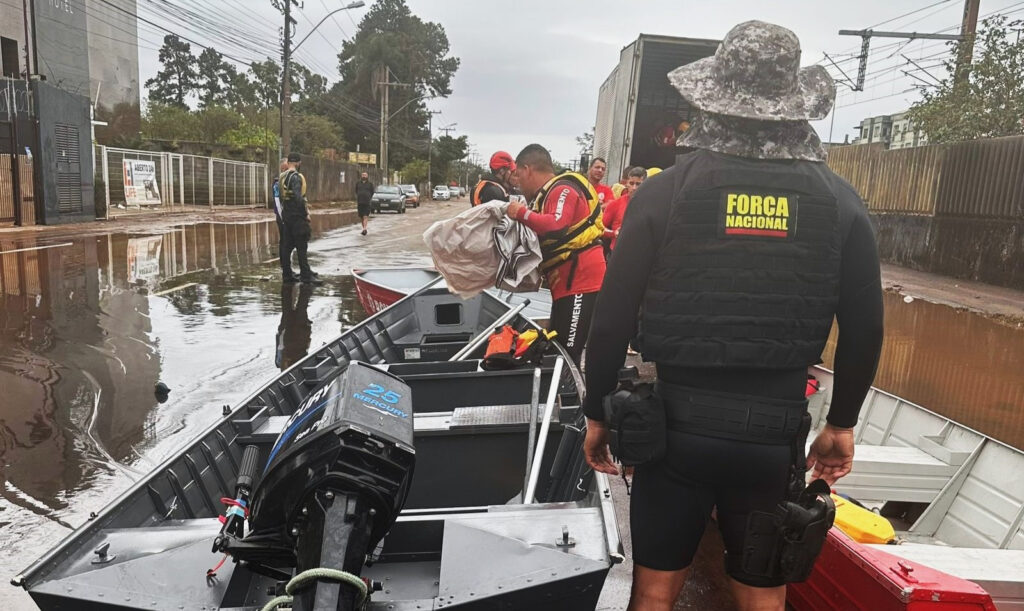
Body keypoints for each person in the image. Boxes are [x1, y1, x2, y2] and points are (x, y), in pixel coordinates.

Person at [581, 21, 884, 611]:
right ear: (795, 104)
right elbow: (866, 326)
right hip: (772, 438)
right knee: (762, 595)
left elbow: (611, 320)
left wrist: (597, 413)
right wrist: (841, 422)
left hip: (673, 433)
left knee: (653, 592)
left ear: (711, 100)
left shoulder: (663, 194)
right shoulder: (840, 202)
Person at [507, 144, 607, 365]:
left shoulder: (562, 189)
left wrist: (520, 213)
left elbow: (557, 225)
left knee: (566, 355)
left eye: (518, 174)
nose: (517, 181)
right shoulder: (545, 196)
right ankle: (562, 396)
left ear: (528, 169)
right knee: (557, 348)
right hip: (566, 285)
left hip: (581, 282)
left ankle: (574, 397)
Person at [279, 153, 322, 285]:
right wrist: (305, 214)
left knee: (287, 246)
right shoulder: (295, 177)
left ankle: (287, 275)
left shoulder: (282, 176)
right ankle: (306, 276)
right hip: (297, 216)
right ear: (298, 163)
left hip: (287, 215)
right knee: (302, 246)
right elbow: (298, 197)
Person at [602, 166, 647, 252]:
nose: (634, 188)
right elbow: (600, 228)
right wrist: (613, 233)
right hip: (617, 253)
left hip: (642, 254)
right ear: (626, 184)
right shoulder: (615, 204)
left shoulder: (651, 205)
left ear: (645, 184)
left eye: (638, 184)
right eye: (631, 183)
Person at [355, 172, 374, 236]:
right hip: (360, 202)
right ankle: (364, 229)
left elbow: (372, 192)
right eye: (363, 175)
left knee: (365, 216)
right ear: (361, 176)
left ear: (367, 176)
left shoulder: (370, 184)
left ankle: (364, 229)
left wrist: (368, 197)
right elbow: (356, 191)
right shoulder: (358, 183)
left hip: (367, 202)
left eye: (365, 175)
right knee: (361, 217)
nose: (364, 176)